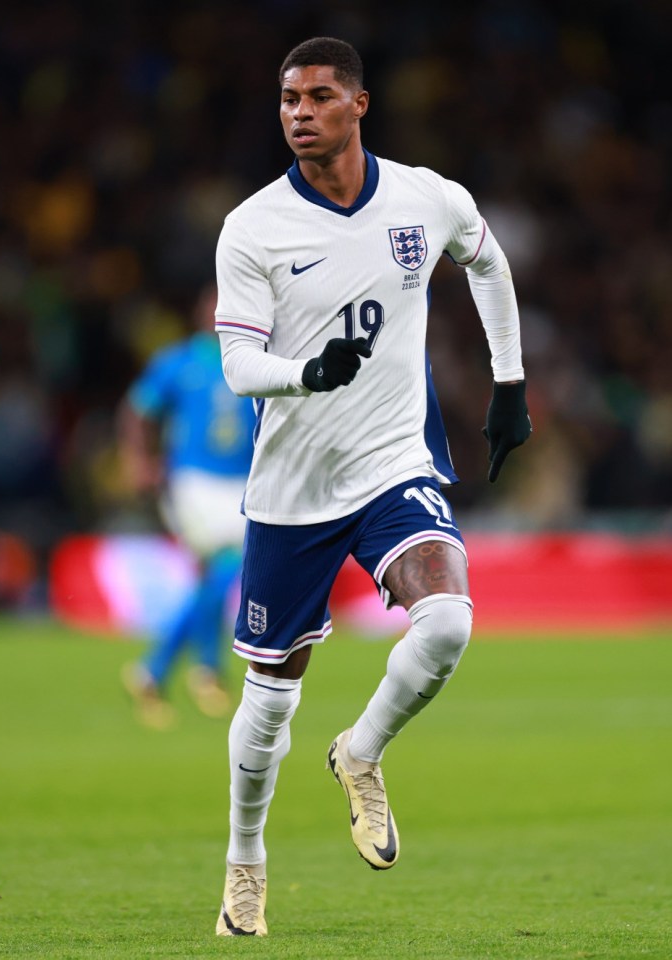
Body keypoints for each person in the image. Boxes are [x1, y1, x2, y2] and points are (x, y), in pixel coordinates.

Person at [212, 37, 531, 935]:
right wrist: (306, 374)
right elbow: (238, 362)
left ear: (359, 105)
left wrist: (509, 383)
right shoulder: (254, 225)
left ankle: (361, 752)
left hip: (394, 463)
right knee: (269, 703)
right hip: (294, 490)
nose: (298, 112)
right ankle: (246, 865)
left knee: (449, 622)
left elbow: (488, 261)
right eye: (286, 98)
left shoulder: (426, 198)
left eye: (317, 96)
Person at [119, 286, 256, 729]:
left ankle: (180, 672)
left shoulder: (257, 358)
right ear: (202, 311)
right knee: (226, 568)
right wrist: (139, 460)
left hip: (243, 483)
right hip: (193, 481)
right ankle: (181, 669)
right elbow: (138, 410)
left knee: (213, 580)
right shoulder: (179, 362)